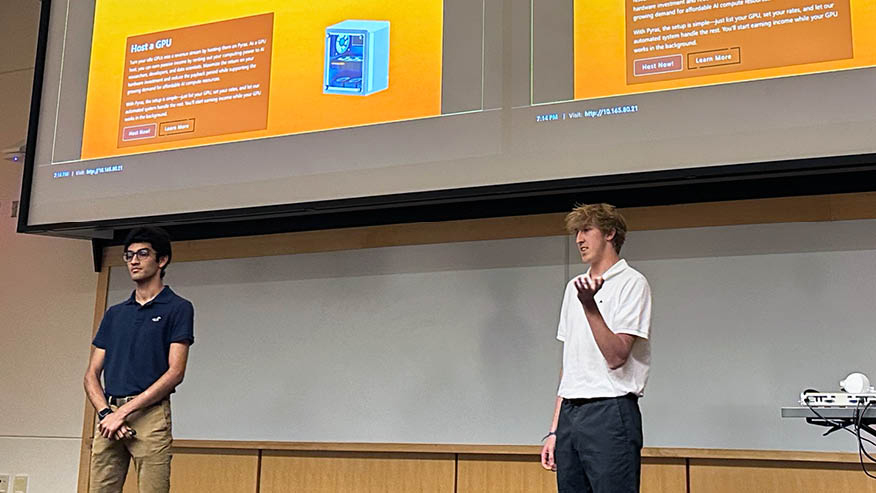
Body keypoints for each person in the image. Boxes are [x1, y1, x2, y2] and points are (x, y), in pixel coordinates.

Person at [540, 203, 652, 493]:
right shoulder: (573, 287)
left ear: (610, 233)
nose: (579, 239)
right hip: (571, 413)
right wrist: (554, 429)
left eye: (586, 230)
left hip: (610, 410)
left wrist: (590, 306)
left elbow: (616, 356)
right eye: (576, 232)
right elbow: (570, 363)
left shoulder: (632, 283)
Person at [84, 226, 194, 493]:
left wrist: (123, 413)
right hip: (108, 415)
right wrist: (107, 413)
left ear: (162, 260)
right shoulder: (115, 313)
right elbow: (91, 375)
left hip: (149, 415)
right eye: (129, 255)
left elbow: (175, 372)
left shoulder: (178, 308)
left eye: (142, 254)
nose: (133, 260)